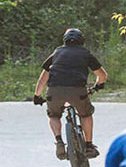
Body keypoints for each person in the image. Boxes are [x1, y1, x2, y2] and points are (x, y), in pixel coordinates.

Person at [32, 27, 108, 159]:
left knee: (54, 115)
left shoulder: (56, 53)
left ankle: (59, 141)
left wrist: (37, 96)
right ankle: (89, 146)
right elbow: (102, 75)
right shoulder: (86, 54)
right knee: (85, 115)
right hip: (77, 91)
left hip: (55, 90)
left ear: (65, 41)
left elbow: (43, 78)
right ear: (81, 41)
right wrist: (98, 85)